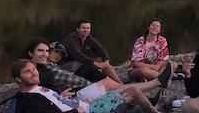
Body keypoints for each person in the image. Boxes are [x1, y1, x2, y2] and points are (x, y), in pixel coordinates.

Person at [11, 59, 178, 113]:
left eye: (34, 69)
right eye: (28, 72)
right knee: (132, 92)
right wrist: (80, 110)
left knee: (114, 91)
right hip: (86, 112)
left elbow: (55, 104)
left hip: (80, 105)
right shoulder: (30, 102)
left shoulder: (37, 90)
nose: (34, 74)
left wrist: (68, 99)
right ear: (18, 79)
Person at [23, 39, 171, 102]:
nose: (45, 54)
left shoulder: (46, 66)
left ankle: (156, 85)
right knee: (111, 86)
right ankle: (157, 82)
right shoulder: (33, 70)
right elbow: (39, 90)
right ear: (30, 53)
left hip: (74, 90)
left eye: (46, 51)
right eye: (40, 51)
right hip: (73, 96)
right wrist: (59, 95)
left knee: (110, 83)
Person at [61, 19, 123, 84]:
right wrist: (94, 63)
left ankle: (119, 83)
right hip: (68, 64)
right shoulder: (71, 39)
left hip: (82, 62)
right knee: (84, 63)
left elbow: (100, 49)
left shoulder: (89, 38)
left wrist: (106, 60)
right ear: (78, 29)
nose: (86, 31)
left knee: (102, 59)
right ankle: (108, 82)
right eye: (83, 28)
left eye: (88, 28)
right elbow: (77, 54)